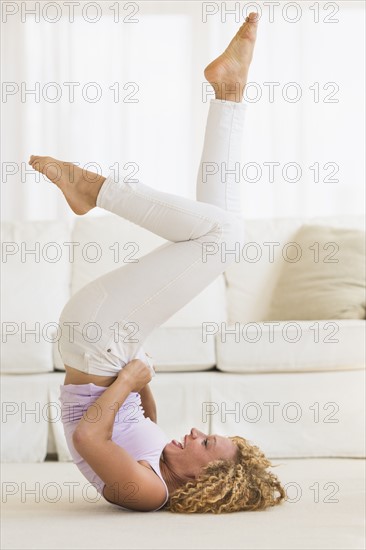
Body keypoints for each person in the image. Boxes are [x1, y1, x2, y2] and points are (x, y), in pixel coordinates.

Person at [29, 12, 286, 514]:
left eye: (205, 444)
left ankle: (94, 188)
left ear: (206, 480)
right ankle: (228, 92)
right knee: (225, 227)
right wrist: (142, 392)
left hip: (97, 342)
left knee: (224, 233)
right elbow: (133, 425)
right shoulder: (164, 466)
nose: (196, 433)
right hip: (106, 342)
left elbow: (88, 440)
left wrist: (131, 380)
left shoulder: (149, 494)